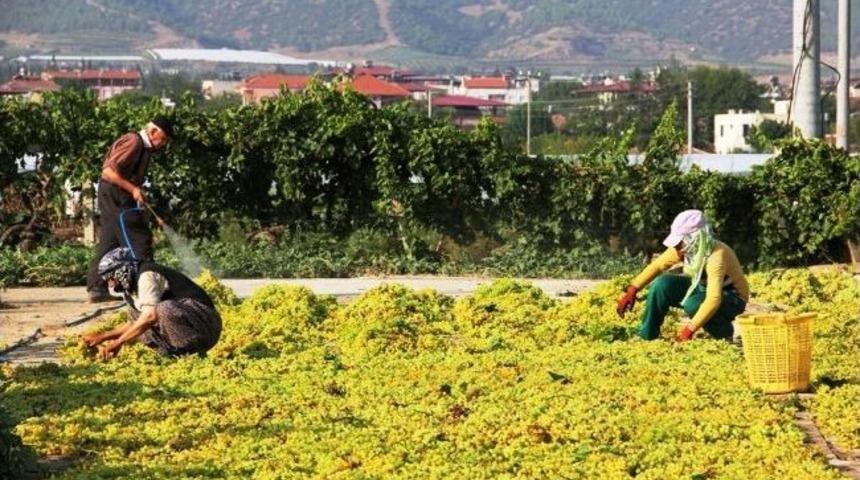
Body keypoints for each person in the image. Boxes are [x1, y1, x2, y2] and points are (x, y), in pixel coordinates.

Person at [616, 209, 749, 342]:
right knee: (661, 284)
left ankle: (724, 333)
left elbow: (713, 299)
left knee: (693, 304)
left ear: (694, 240)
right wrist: (633, 289)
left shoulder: (717, 255)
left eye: (680, 243)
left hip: (732, 298)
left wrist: (688, 331)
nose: (676, 248)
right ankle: (647, 335)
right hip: (701, 288)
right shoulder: (683, 250)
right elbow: (657, 266)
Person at [86, 117, 173, 302]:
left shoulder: (145, 148)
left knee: (110, 241)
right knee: (138, 237)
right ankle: (147, 287)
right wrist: (133, 189)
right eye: (163, 139)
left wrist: (137, 189)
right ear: (153, 132)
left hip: (116, 193)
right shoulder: (134, 142)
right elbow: (108, 172)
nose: (163, 144)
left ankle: (97, 288)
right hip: (115, 194)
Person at [83, 247, 221, 360]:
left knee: (163, 309)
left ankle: (191, 354)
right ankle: (170, 354)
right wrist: (103, 337)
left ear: (121, 270)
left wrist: (119, 342)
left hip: (206, 324)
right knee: (135, 314)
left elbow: (150, 317)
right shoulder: (130, 289)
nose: (111, 284)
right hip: (189, 322)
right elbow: (134, 324)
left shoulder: (146, 275)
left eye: (111, 277)